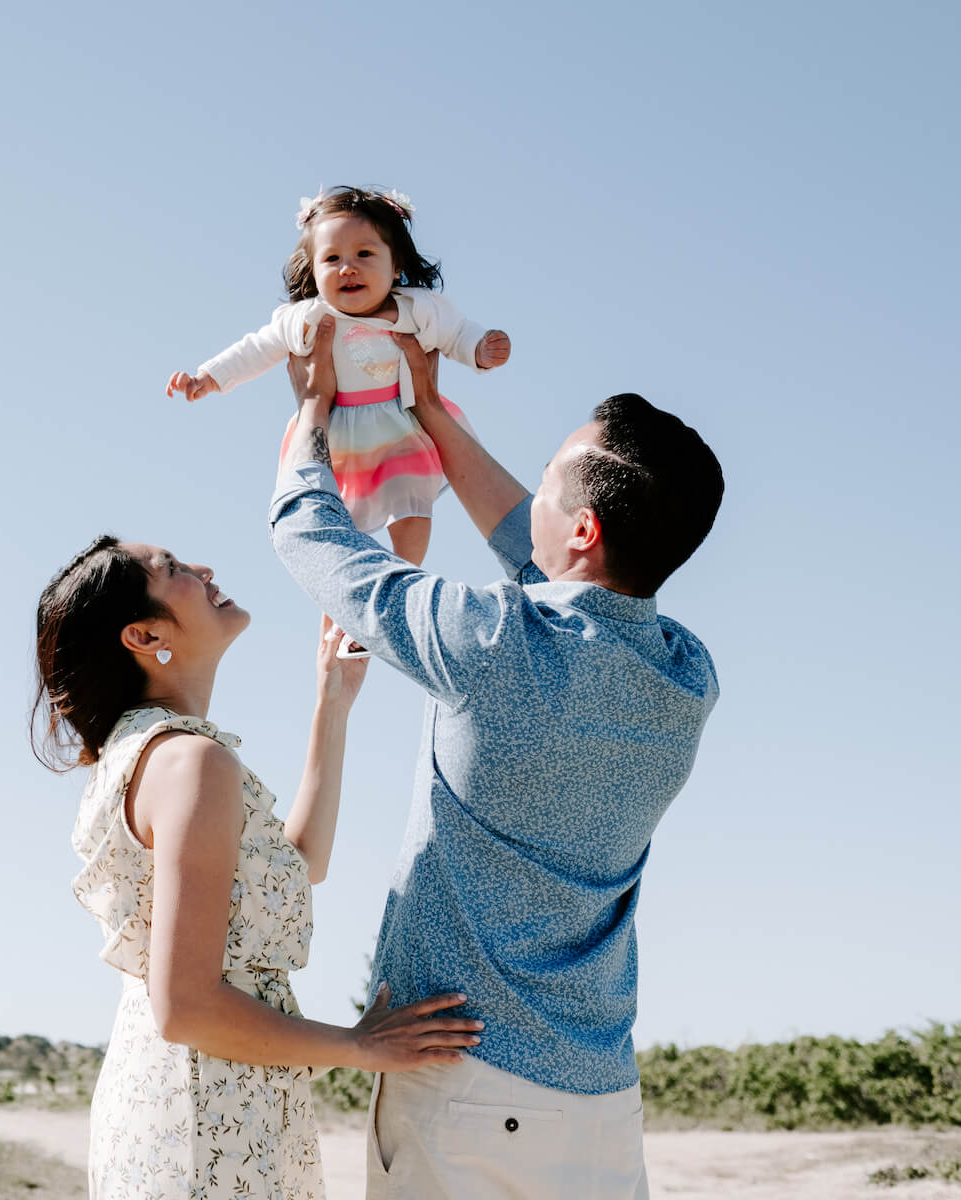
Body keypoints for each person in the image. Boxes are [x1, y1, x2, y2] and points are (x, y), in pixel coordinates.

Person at [269, 316, 724, 1198]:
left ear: (583, 528)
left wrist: (312, 413)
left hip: (468, 1086)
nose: (531, 496)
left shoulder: (492, 641)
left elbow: (309, 534)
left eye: (546, 479)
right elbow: (548, 557)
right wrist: (431, 413)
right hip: (602, 1098)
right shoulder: (687, 676)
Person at [33, 537, 485, 1200]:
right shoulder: (187, 761)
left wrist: (332, 703)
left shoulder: (142, 755)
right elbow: (186, 1007)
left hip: (192, 1102)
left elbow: (298, 866)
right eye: (172, 568)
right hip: (209, 1112)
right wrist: (360, 1046)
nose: (203, 569)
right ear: (145, 635)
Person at [167, 186, 512, 567]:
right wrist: (209, 377)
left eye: (364, 254)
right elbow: (257, 348)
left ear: (395, 265)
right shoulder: (307, 318)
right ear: (313, 271)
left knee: (412, 506)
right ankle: (346, 586)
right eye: (332, 258)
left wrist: (481, 348)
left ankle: (406, 569)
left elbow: (457, 332)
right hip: (336, 434)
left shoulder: (418, 309)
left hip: (401, 425)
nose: (348, 268)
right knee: (331, 516)